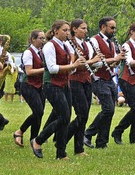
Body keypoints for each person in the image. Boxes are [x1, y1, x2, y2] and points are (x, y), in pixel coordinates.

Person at [30, 20, 87, 160]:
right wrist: (72, 65)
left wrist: (78, 65)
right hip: (52, 85)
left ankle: (61, 154)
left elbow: (71, 70)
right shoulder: (50, 45)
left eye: (68, 30)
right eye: (65, 30)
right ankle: (38, 141)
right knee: (63, 117)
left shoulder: (66, 46)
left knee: (65, 119)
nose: (68, 33)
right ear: (56, 31)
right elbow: (52, 68)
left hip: (64, 84)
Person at [84, 17, 126, 149]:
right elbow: (94, 62)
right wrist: (114, 58)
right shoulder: (94, 41)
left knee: (110, 111)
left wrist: (119, 60)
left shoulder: (112, 44)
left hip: (109, 79)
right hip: (97, 78)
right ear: (103, 27)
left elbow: (112, 63)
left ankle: (102, 142)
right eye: (112, 27)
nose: (114, 30)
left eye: (115, 28)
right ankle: (88, 133)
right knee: (108, 109)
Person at [64, 19, 101, 155]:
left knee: (84, 116)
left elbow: (90, 64)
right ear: (74, 29)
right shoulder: (69, 44)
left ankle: (77, 148)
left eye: (86, 29)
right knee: (82, 114)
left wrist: (100, 62)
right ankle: (65, 138)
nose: (86, 31)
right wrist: (92, 61)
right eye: (83, 28)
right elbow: (74, 65)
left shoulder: (87, 45)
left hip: (86, 80)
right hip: (74, 81)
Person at [13, 30, 46, 147]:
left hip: (39, 86)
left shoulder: (41, 52)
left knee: (39, 114)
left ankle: (34, 139)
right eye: (41, 38)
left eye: (44, 38)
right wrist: (46, 69)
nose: (43, 41)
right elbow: (29, 71)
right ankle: (20, 131)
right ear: (33, 39)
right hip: (28, 85)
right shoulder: (28, 52)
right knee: (38, 111)